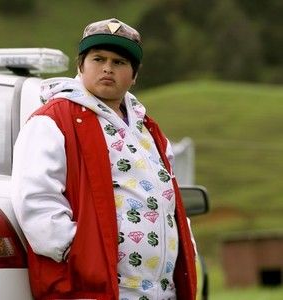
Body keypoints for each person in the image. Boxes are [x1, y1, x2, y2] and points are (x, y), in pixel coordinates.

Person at [11, 18, 197, 300]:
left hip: (162, 292)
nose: (108, 68)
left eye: (120, 62)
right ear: (81, 65)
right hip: (97, 289)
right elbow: (36, 201)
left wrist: (189, 248)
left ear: (134, 75)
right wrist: (84, 255)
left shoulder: (148, 130)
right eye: (98, 58)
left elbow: (170, 200)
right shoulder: (53, 121)